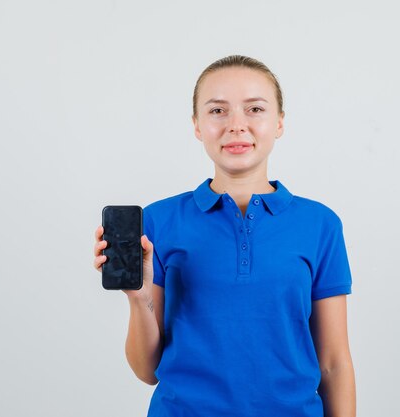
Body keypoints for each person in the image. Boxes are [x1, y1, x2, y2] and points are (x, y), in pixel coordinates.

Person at [93, 55, 356, 417]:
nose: (236, 125)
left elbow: (334, 363)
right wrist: (139, 300)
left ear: (279, 122)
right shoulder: (158, 221)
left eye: (255, 109)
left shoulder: (320, 224)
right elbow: (146, 370)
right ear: (197, 126)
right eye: (218, 111)